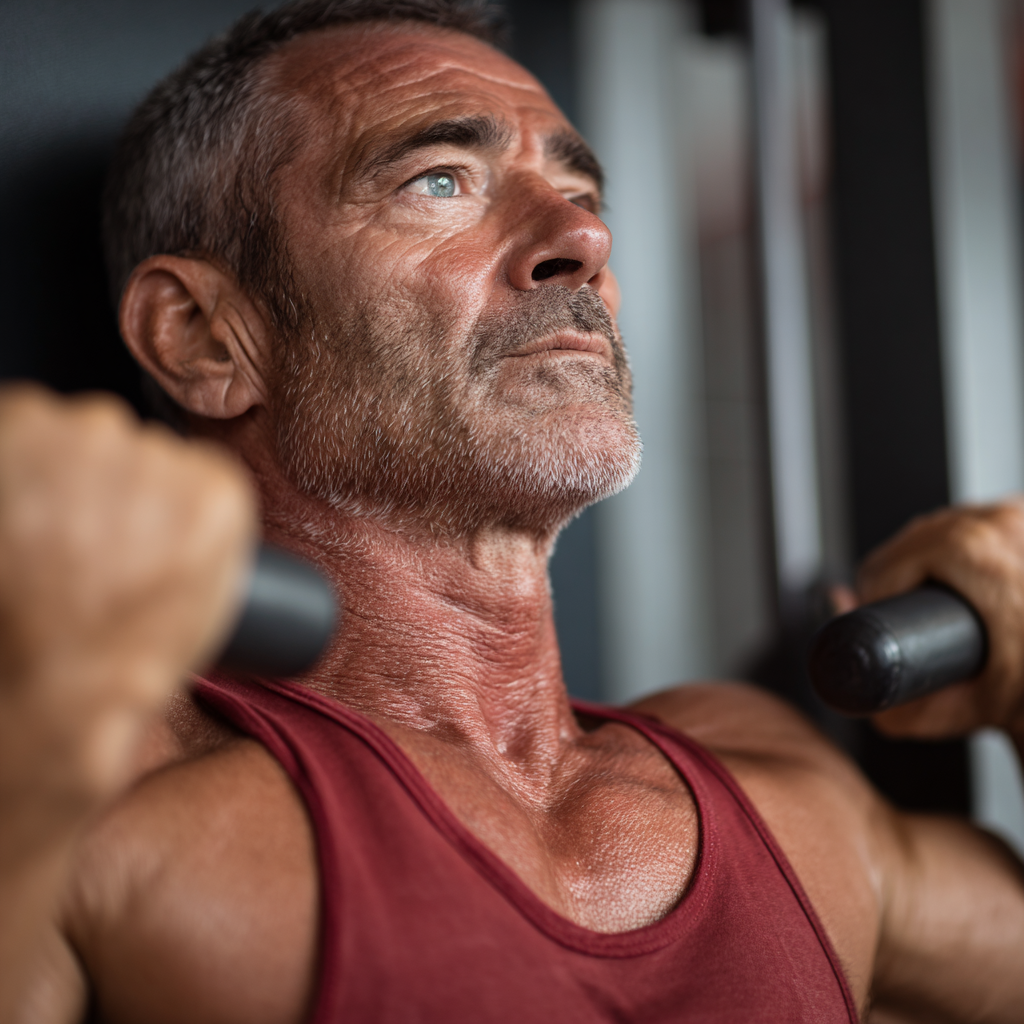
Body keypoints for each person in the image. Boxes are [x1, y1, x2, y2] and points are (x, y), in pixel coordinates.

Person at [1, 1, 1022, 1021]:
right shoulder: (89, 793)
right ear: (203, 338)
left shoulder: (767, 783)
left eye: (579, 189)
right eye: (438, 180)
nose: (583, 236)